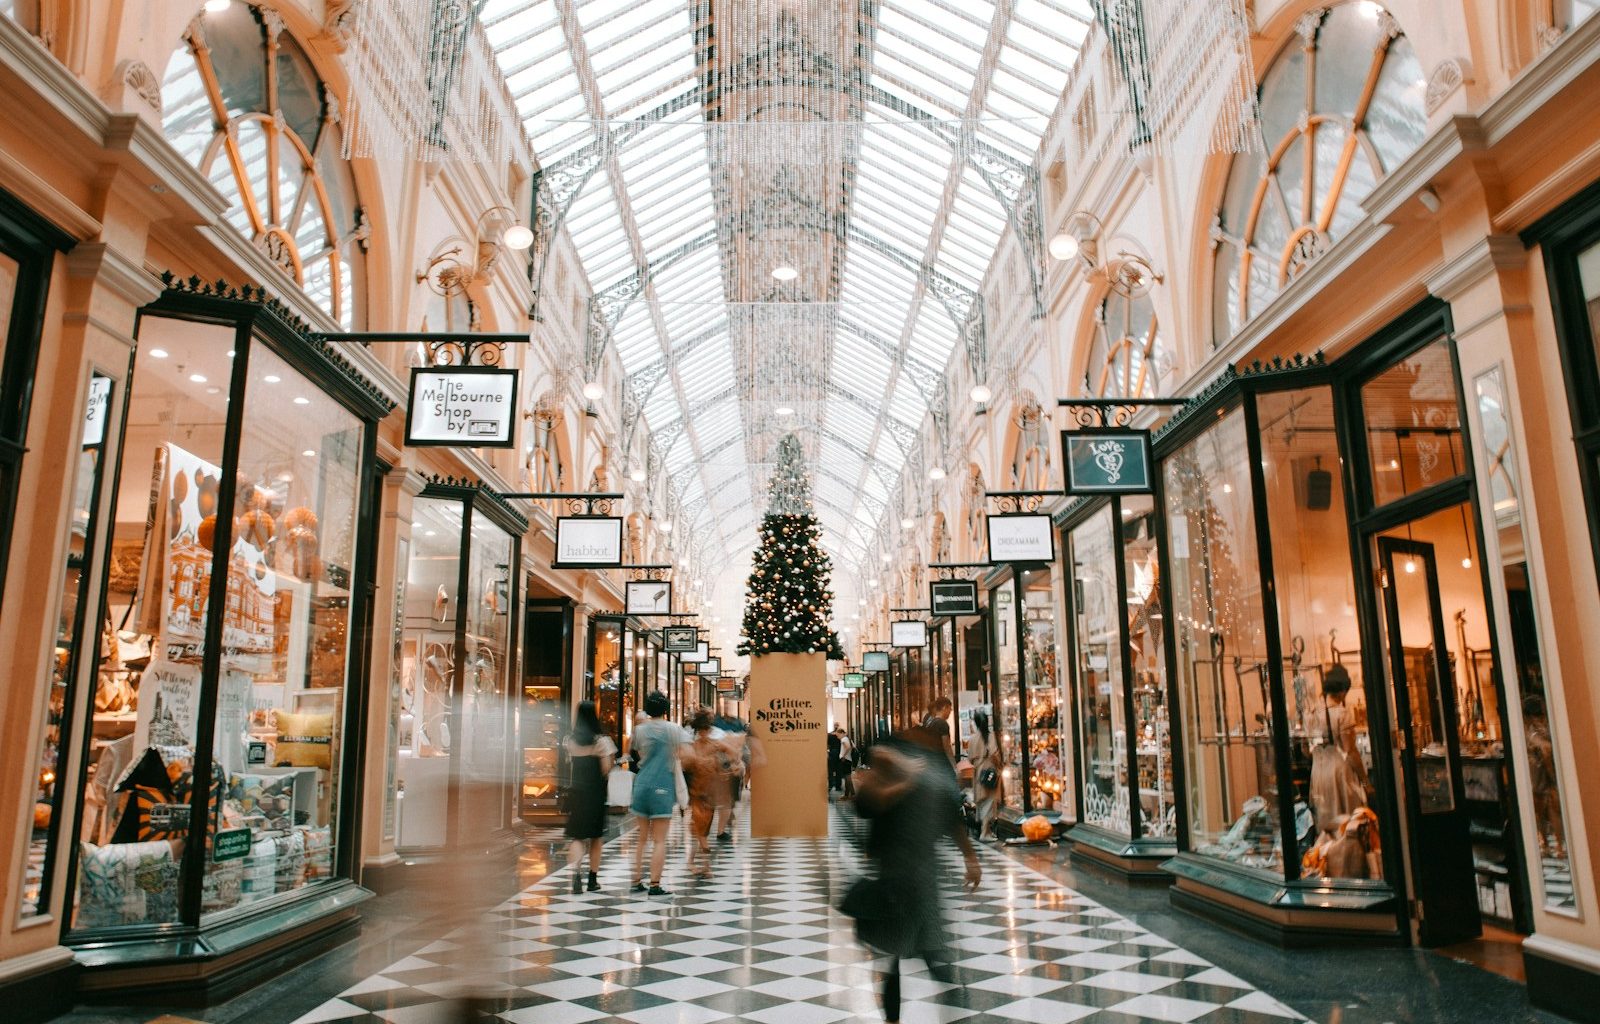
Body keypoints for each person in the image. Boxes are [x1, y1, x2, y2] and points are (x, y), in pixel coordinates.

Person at [848, 735, 981, 1024]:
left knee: (925, 958)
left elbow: (951, 820)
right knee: (902, 960)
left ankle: (944, 1015)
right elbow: (868, 798)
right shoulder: (890, 781)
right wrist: (907, 777)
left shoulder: (917, 781)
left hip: (916, 883)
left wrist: (970, 858)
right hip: (897, 884)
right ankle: (897, 1019)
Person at [629, 691, 681, 895]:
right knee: (659, 839)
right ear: (666, 710)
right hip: (662, 785)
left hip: (641, 784)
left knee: (641, 838)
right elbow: (685, 754)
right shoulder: (673, 730)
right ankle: (655, 884)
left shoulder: (639, 730)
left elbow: (635, 752)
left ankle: (635, 881)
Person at [1309, 664, 1369, 836]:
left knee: (1326, 821)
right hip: (1339, 773)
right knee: (1347, 822)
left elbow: (1308, 750)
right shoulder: (1342, 714)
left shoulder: (1313, 713)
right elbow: (1350, 752)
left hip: (1319, 773)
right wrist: (1365, 781)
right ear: (1343, 690)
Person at [681, 707, 741, 878]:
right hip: (707, 792)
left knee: (700, 830)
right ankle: (698, 864)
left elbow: (685, 764)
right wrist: (730, 765)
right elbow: (733, 752)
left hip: (700, 792)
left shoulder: (694, 746)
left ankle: (700, 864)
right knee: (700, 829)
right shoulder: (714, 744)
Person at [563, 701, 615, 893]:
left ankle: (576, 875)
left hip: (577, 793)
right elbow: (606, 769)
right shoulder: (601, 742)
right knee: (595, 837)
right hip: (595, 794)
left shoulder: (570, 741)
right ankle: (592, 880)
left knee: (577, 837)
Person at [965, 707, 1003, 841]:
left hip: (978, 771)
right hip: (989, 770)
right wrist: (999, 766)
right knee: (989, 800)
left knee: (981, 800)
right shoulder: (990, 736)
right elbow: (994, 754)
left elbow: (969, 758)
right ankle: (985, 832)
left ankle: (984, 830)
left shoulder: (972, 738)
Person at [922, 696, 955, 765]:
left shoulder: (930, 722)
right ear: (944, 707)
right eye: (949, 709)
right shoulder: (942, 724)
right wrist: (954, 766)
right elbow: (947, 747)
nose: (950, 711)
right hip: (940, 762)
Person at [828, 725, 844, 792]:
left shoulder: (830, 735)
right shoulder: (841, 736)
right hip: (839, 754)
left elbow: (827, 744)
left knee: (830, 770)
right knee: (838, 771)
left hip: (832, 753)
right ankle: (838, 786)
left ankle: (831, 785)